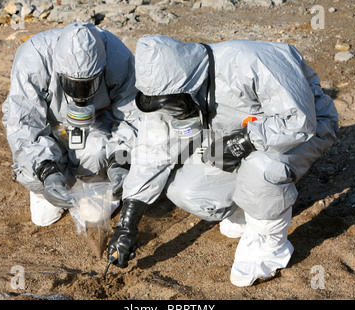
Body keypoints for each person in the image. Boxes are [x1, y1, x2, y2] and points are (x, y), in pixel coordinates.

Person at [107, 35, 339, 287]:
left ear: (189, 83)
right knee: (185, 189)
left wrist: (245, 142)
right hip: (233, 136)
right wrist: (127, 224)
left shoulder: (251, 61)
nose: (172, 111)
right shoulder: (163, 90)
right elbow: (152, 152)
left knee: (263, 167)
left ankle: (269, 243)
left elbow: (298, 122)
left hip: (307, 127)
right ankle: (247, 205)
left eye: (175, 103)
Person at [2, 21, 139, 227]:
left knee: (95, 160)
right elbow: (23, 124)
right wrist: (47, 172)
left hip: (96, 124)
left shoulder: (118, 58)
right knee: (43, 217)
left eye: (88, 85)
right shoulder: (33, 59)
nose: (80, 93)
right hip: (48, 128)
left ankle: (93, 182)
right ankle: (51, 183)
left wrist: (121, 160)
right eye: (73, 84)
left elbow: (131, 116)